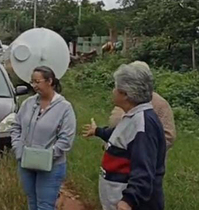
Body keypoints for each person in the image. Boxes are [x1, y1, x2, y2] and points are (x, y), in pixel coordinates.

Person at [83, 62, 166, 210]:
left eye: (116, 87)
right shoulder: (133, 116)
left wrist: (129, 200)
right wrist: (98, 131)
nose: (113, 91)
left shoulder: (143, 124)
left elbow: (144, 168)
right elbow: (119, 136)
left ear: (126, 94)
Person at [10, 66, 76, 210]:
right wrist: (18, 148)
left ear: (49, 81)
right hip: (26, 162)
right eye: (32, 82)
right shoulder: (28, 103)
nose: (34, 86)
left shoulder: (64, 108)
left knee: (45, 206)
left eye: (37, 82)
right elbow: (16, 127)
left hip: (51, 166)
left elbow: (66, 139)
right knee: (32, 203)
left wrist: (48, 156)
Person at [108, 76, 176, 150]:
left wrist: (141, 148)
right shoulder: (125, 100)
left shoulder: (160, 104)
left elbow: (168, 136)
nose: (114, 91)